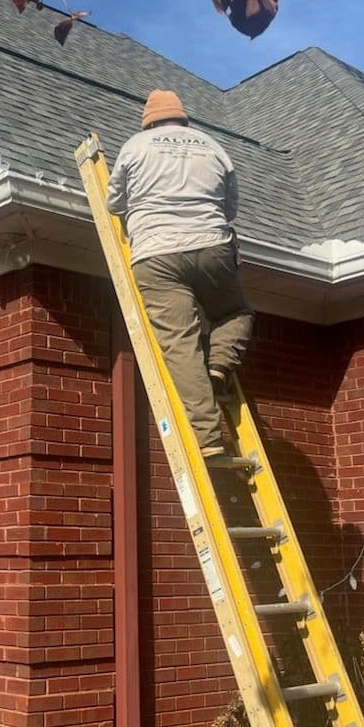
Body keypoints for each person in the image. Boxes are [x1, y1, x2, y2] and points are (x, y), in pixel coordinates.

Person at [106, 88, 254, 458]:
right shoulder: (212, 146)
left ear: (149, 120)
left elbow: (113, 202)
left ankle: (207, 440)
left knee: (181, 345)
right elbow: (230, 208)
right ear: (182, 117)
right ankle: (219, 367)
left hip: (155, 255)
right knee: (236, 313)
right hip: (211, 247)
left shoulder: (135, 147)